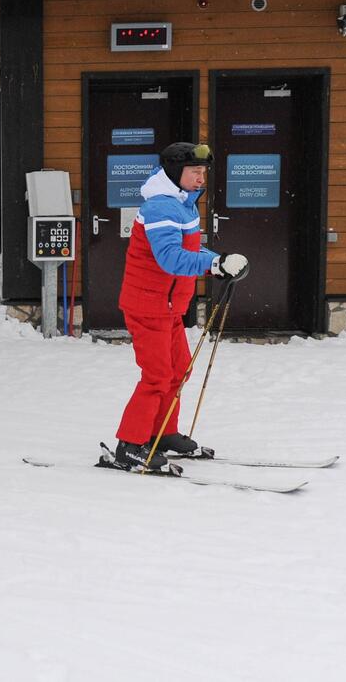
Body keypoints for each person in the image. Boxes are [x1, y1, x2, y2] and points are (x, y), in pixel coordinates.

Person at [112, 142, 249, 472]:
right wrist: (215, 264)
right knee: (157, 375)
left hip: (169, 305)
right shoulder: (161, 207)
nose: (201, 178)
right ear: (175, 173)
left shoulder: (185, 205)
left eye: (203, 172)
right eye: (195, 172)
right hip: (147, 305)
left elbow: (189, 249)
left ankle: (162, 432)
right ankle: (130, 444)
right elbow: (170, 258)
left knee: (178, 369)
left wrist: (220, 262)